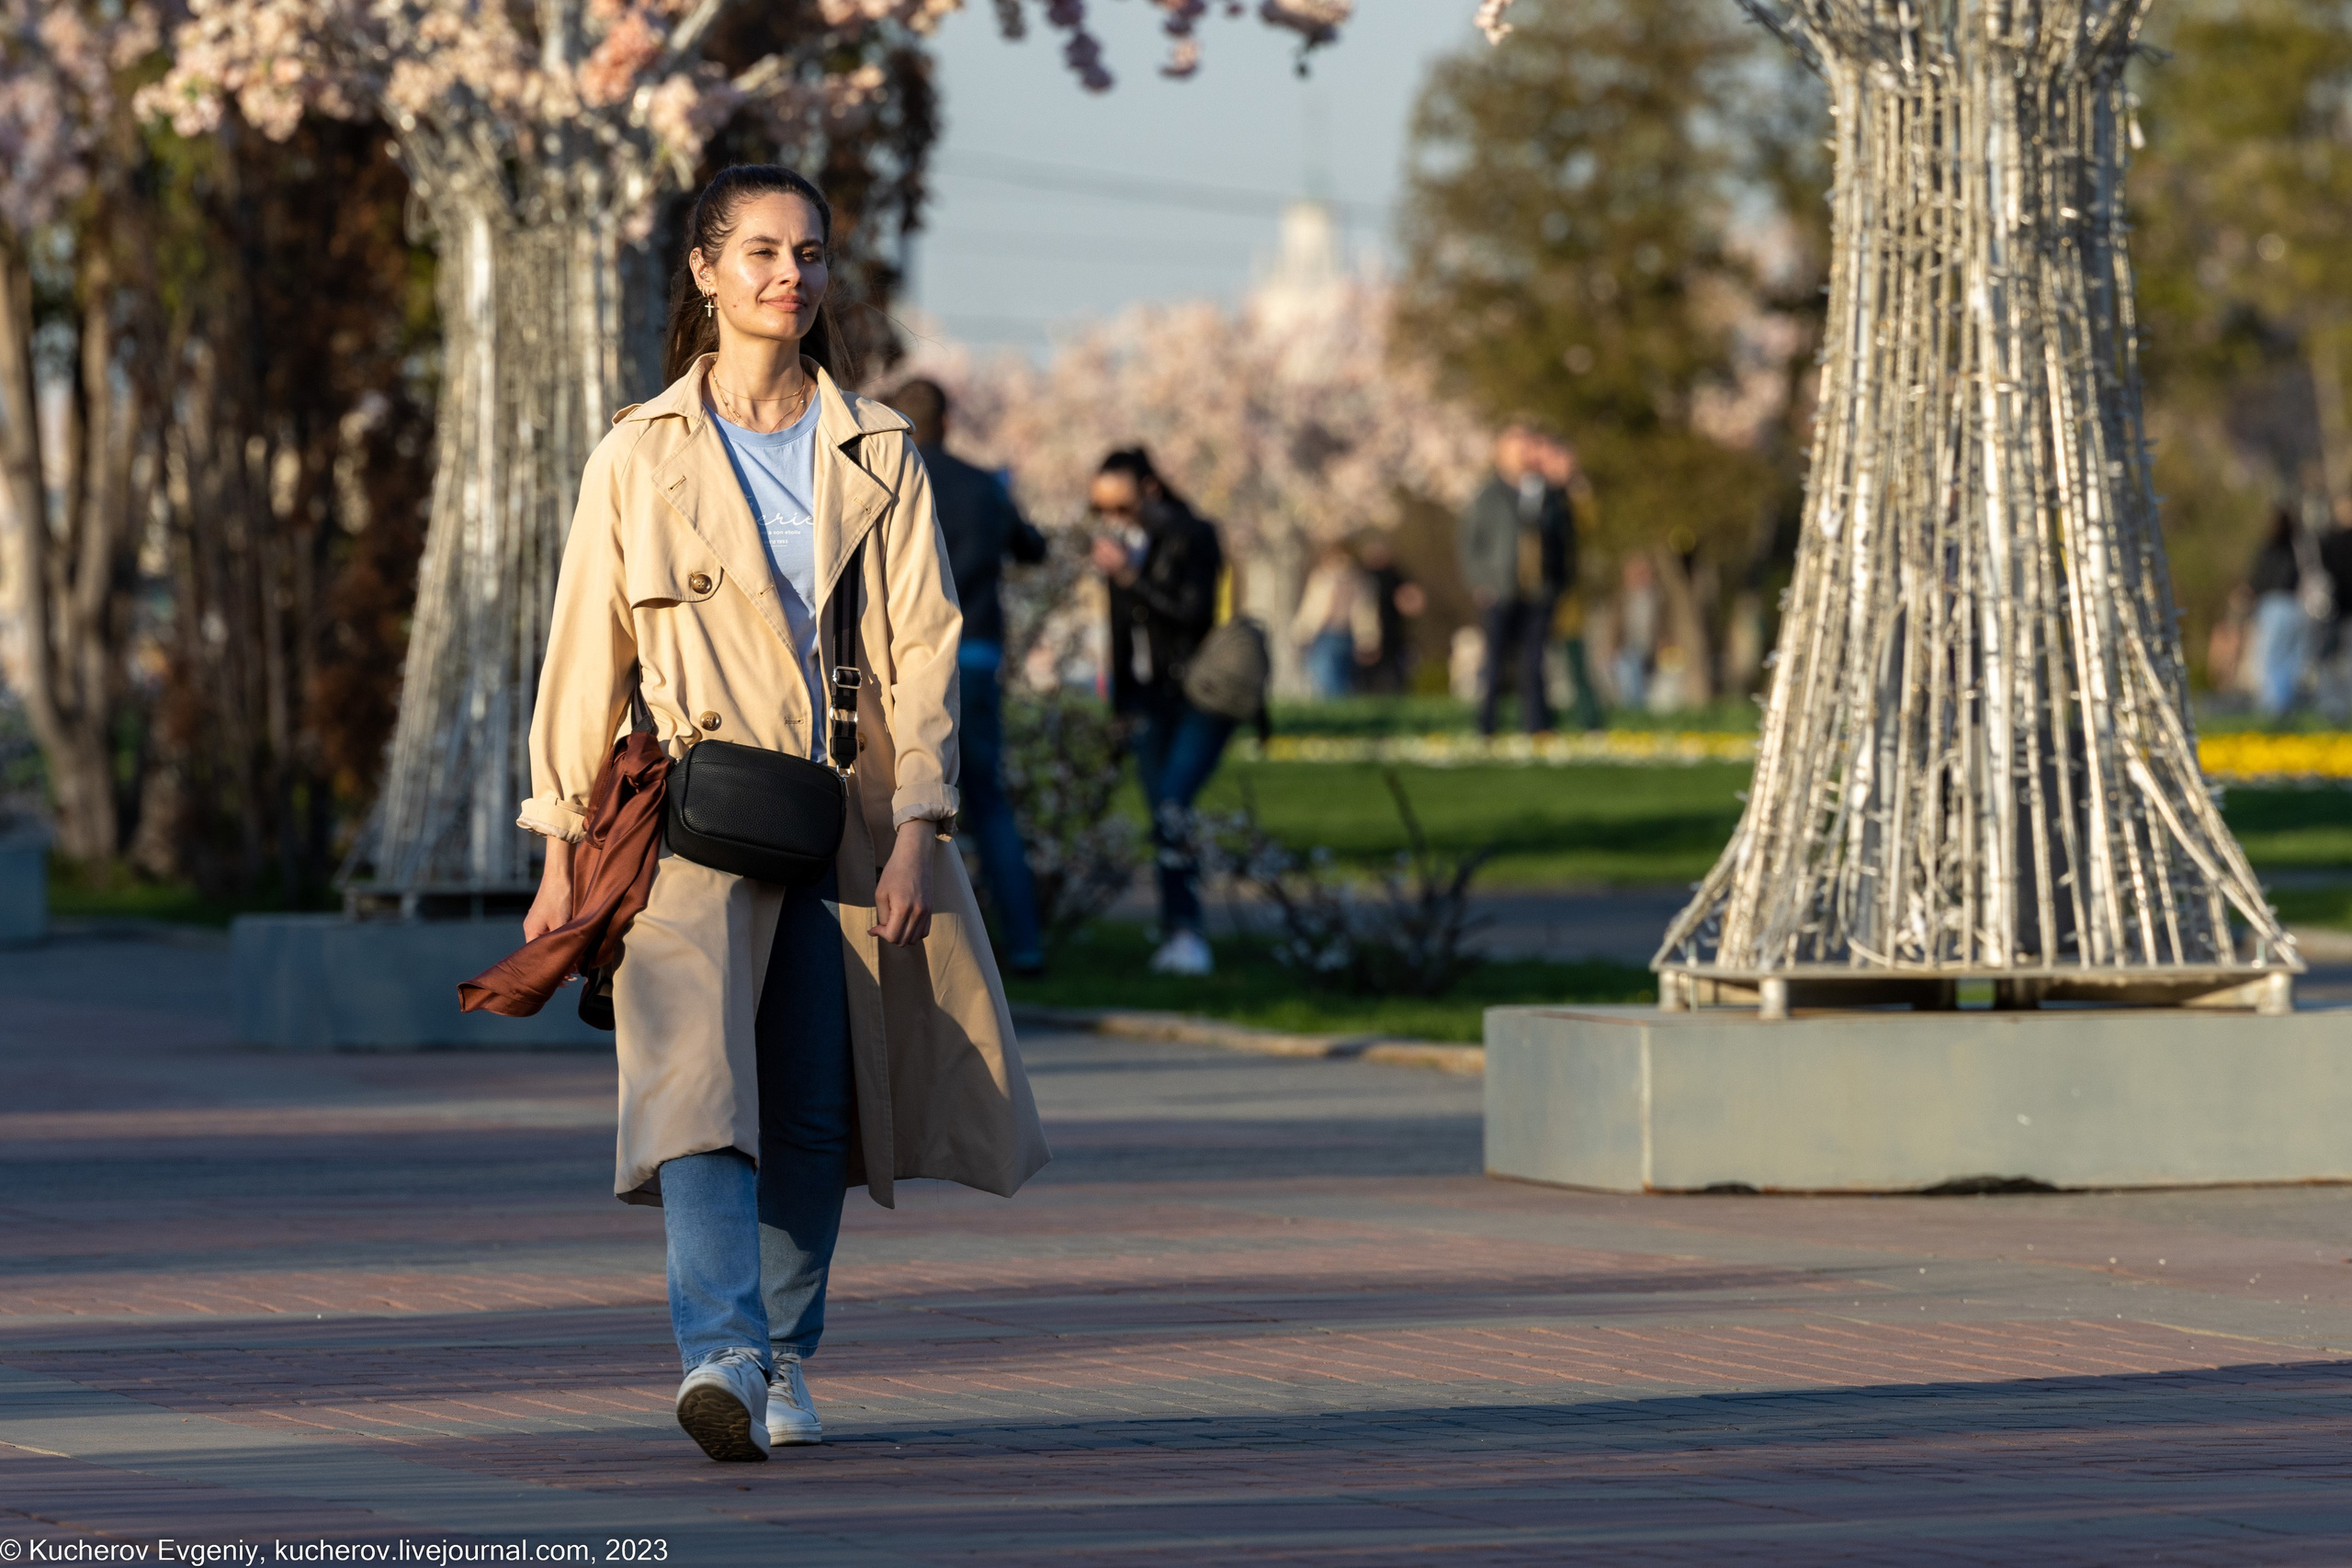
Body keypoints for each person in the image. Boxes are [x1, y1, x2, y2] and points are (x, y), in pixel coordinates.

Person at [516, 164, 1049, 1464]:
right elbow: (585, 648)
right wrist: (556, 844)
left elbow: (926, 644)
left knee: (817, 1099)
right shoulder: (640, 451)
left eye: (809, 253)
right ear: (703, 270)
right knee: (696, 1081)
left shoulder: (876, 446)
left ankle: (783, 1353)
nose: (788, 276)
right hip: (692, 803)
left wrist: (921, 822)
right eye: (758, 252)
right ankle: (720, 1348)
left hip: (852, 812)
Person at [887, 378, 1048, 977]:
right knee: (987, 801)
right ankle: (1026, 945)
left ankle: (919, 953)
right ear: (948, 420)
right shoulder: (983, 485)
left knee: (906, 801)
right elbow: (1032, 548)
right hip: (975, 651)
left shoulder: (891, 476)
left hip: (907, 659)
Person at [1086, 447, 1228, 976]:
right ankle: (1177, 931)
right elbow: (1120, 635)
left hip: (1198, 695)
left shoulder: (1193, 535)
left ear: (1150, 490)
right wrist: (1120, 706)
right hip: (1145, 698)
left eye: (1120, 506)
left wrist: (1131, 577)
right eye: (1099, 508)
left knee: (1172, 805)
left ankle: (1188, 933)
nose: (1111, 520)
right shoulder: (1121, 546)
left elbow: (1195, 613)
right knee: (1163, 814)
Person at [1457, 423, 1574, 735]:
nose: (1525, 452)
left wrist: (1558, 581)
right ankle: (1487, 725)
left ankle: (1537, 726)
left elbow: (1563, 538)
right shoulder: (1489, 494)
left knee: (1535, 661)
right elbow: (1471, 542)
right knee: (1495, 660)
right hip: (1500, 588)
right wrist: (1481, 582)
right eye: (1517, 445)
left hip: (1538, 588)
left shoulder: (1543, 491)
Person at [1289, 541, 1378, 699]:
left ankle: (1334, 713)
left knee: (1334, 680)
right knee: (1326, 677)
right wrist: (1301, 631)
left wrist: (1368, 638)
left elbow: (1365, 612)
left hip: (1342, 634)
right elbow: (1310, 608)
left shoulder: (1359, 581)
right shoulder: (1321, 579)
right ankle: (1332, 711)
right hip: (1323, 633)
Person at [2247, 507, 2311, 719]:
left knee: (2270, 658)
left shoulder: (2269, 549)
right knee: (2290, 658)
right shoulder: (2298, 549)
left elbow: (2257, 579)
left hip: (2272, 605)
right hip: (2294, 605)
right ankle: (2286, 703)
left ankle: (2272, 707)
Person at [1358, 536, 1425, 695]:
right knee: (1369, 670)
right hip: (1369, 630)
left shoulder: (1396, 575)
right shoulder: (1363, 576)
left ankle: (1397, 693)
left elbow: (1413, 600)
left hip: (1394, 629)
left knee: (1395, 669)